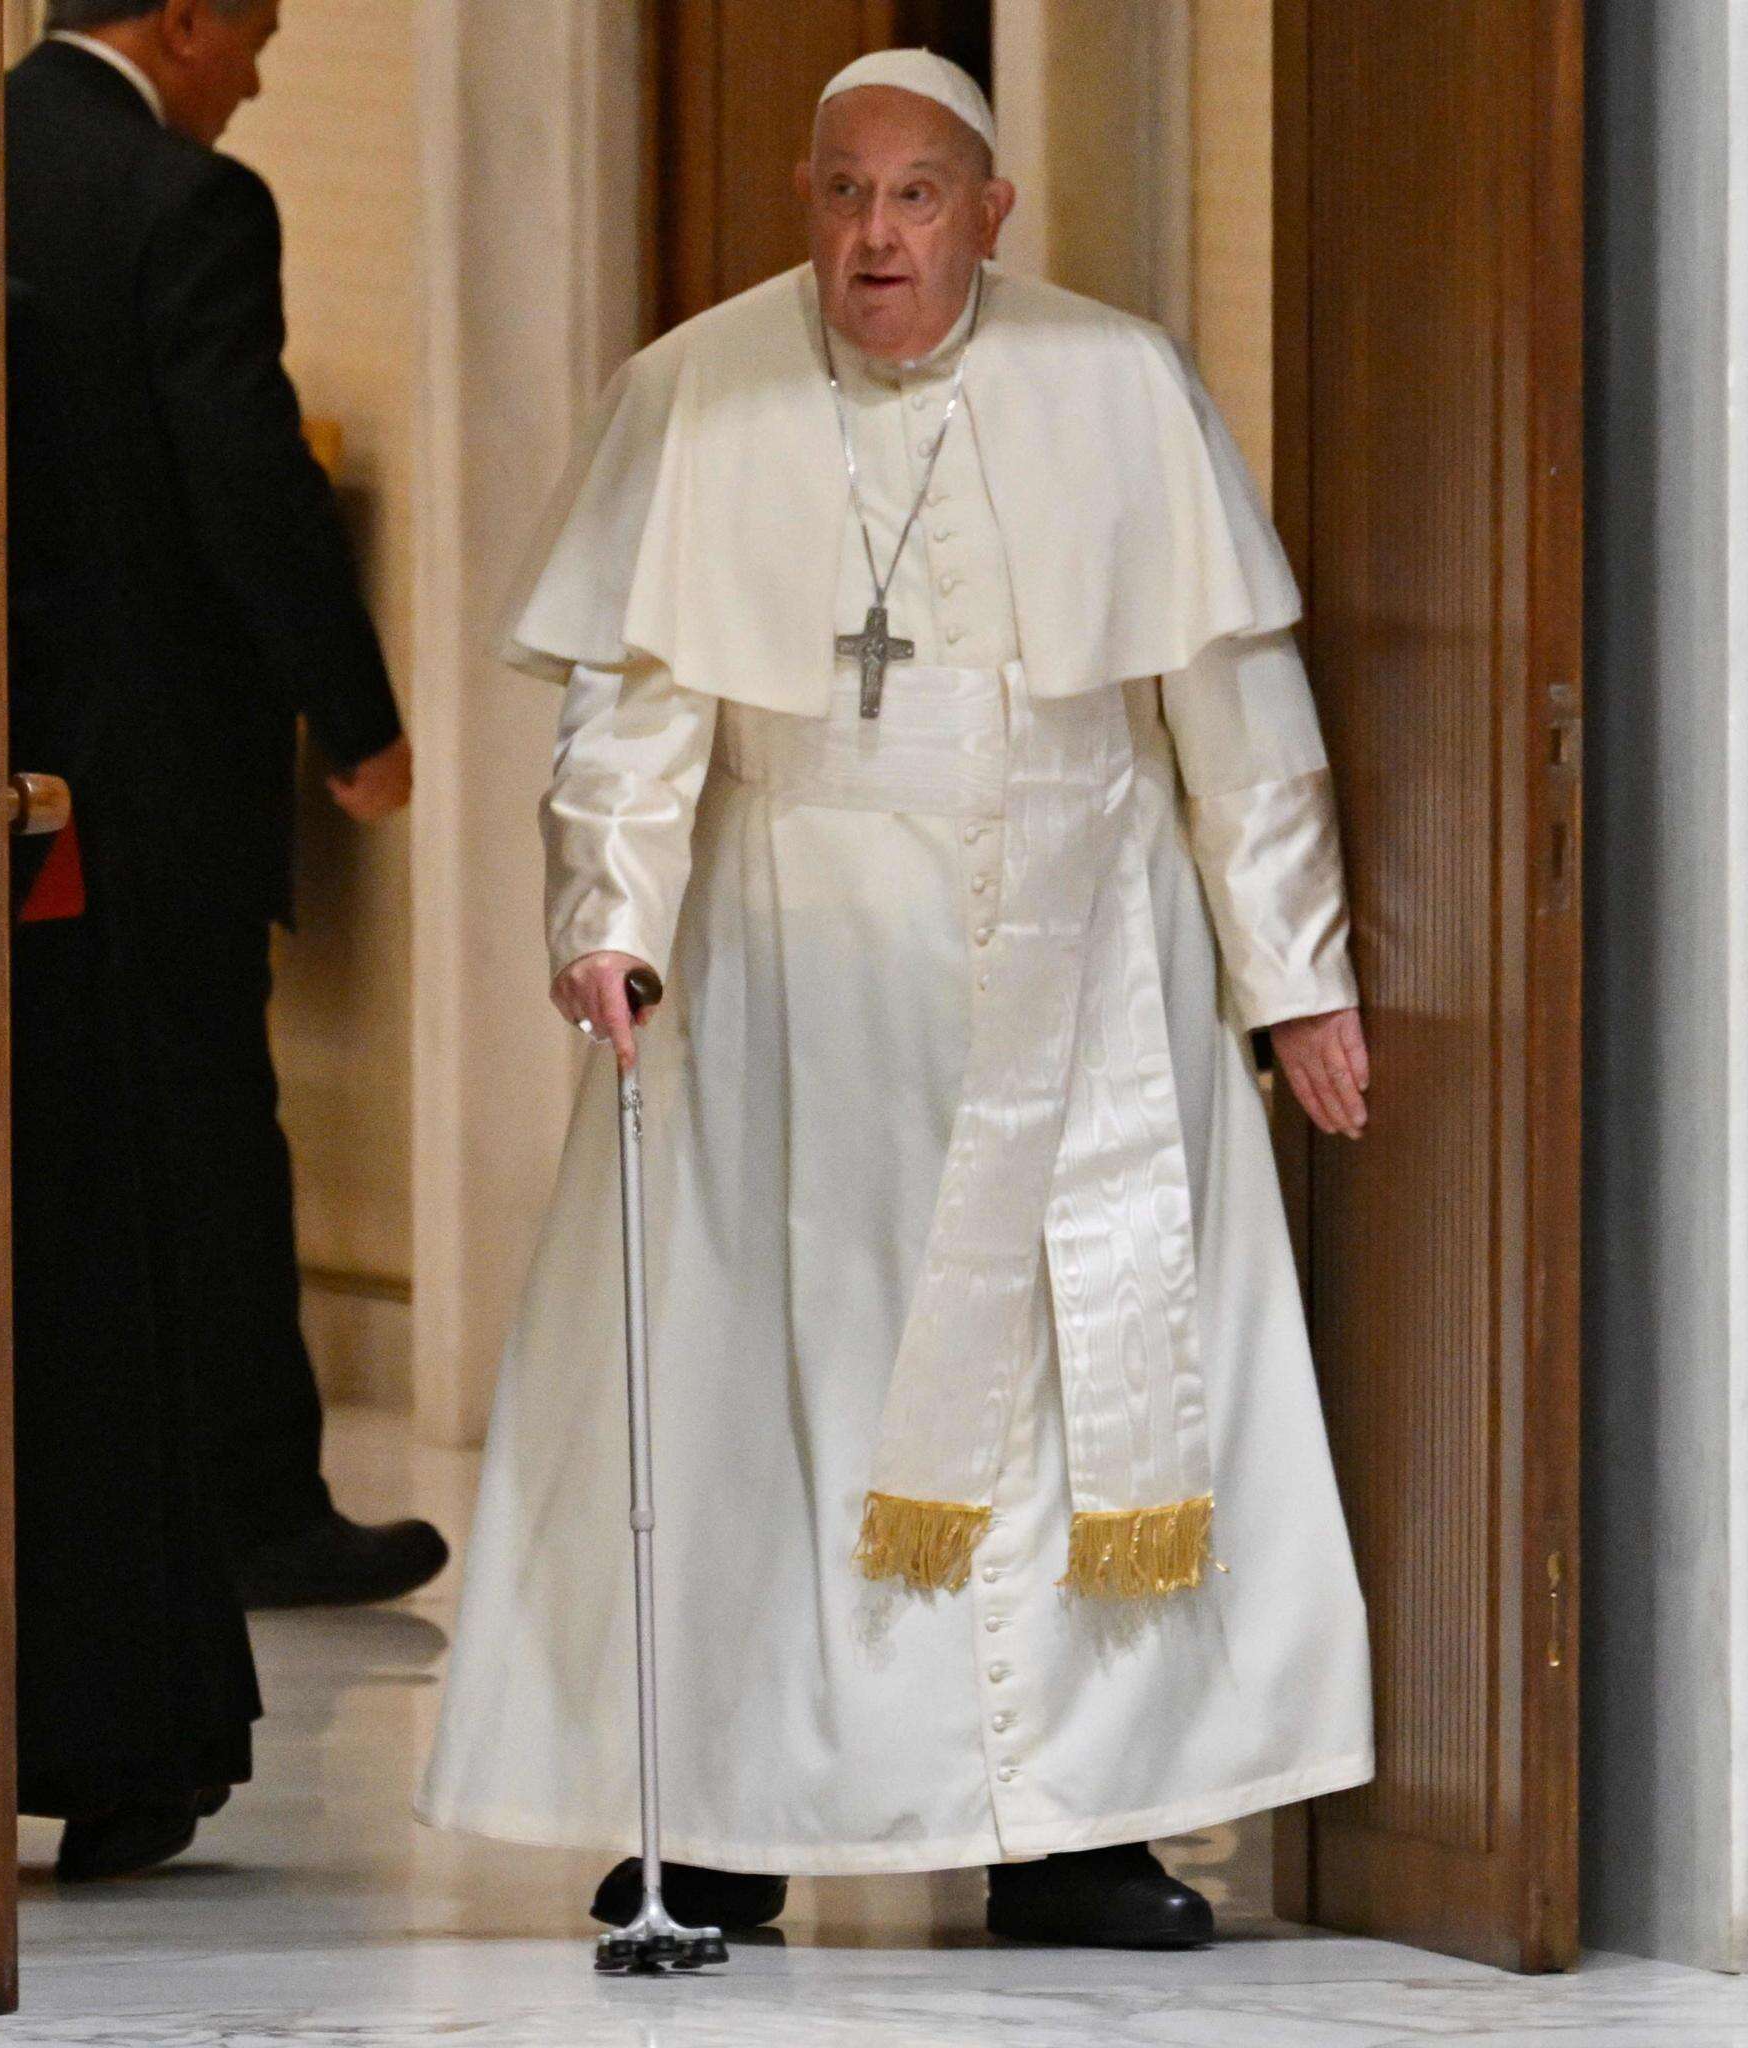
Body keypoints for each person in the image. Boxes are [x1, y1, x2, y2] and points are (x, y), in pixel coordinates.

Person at [416, 50, 1375, 1949]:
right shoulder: (700, 389)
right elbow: (638, 703)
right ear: (808, 200)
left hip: (1088, 940)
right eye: (845, 193)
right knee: (780, 1389)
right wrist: (609, 916)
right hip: (797, 978)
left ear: (992, 213)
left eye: (918, 195)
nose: (876, 235)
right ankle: (736, 1817)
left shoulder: (1117, 383)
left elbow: (1237, 721)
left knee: (1081, 1391)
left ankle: (1075, 1832)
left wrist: (1294, 979)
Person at [5, 0, 446, 1882]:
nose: (257, 74)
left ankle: (232, 1496)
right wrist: (356, 716)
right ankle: (254, 1496)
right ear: (179, 21)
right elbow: (243, 479)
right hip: (145, 789)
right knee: (194, 1145)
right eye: (249, 34)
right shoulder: (191, 202)